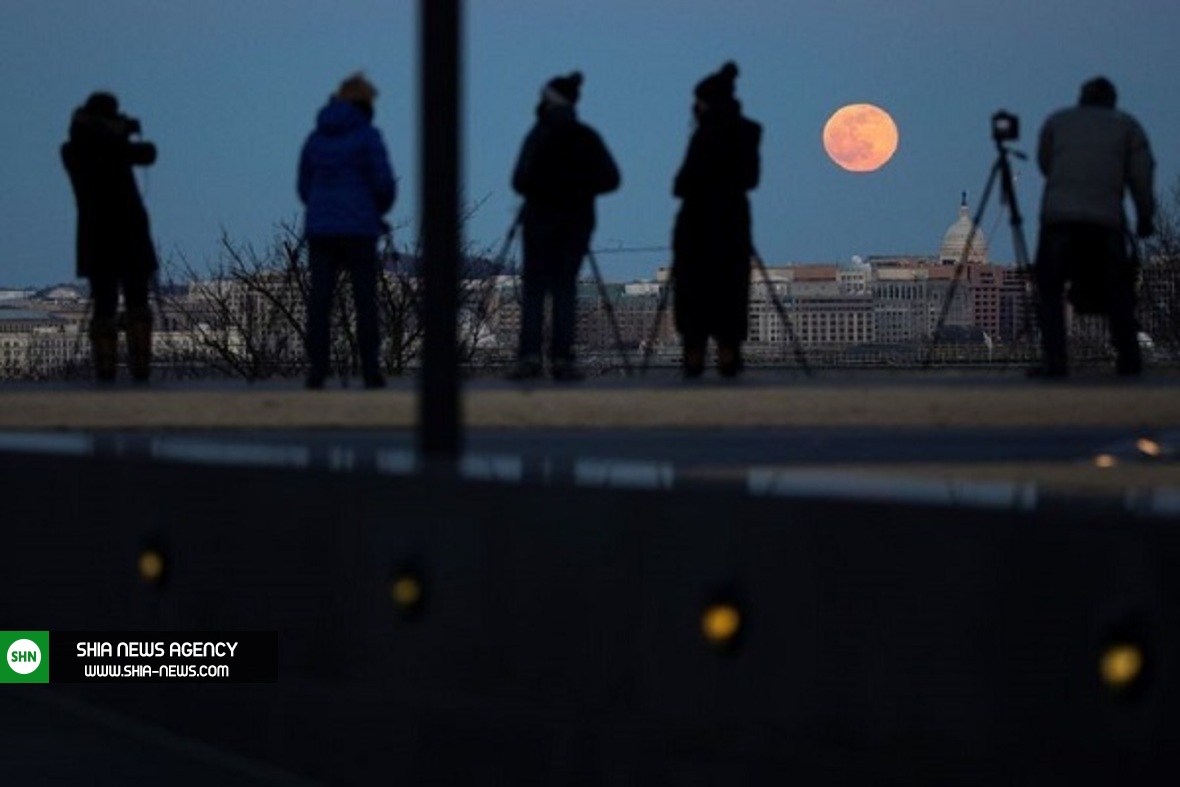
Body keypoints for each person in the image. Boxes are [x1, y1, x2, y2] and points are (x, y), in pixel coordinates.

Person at [1033, 76, 1156, 378]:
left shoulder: (1058, 122)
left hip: (1058, 220)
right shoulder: (1127, 126)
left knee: (1049, 288)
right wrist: (1144, 217)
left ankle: (1055, 361)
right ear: (1112, 100)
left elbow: (1045, 163)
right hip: (1104, 221)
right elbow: (1142, 175)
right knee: (1118, 288)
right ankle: (1128, 358)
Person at [509, 71, 621, 381]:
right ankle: (562, 358)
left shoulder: (538, 134)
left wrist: (543, 190)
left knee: (534, 290)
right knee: (564, 289)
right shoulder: (586, 136)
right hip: (575, 223)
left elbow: (519, 179)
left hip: (540, 220)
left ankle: (530, 357)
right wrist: (580, 189)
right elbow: (612, 178)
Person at [298, 72, 397, 389]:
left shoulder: (316, 138)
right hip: (358, 228)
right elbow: (383, 183)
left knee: (320, 300)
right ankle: (369, 368)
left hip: (322, 229)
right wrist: (375, 210)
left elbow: (304, 186)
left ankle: (317, 369)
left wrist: (321, 208)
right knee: (365, 300)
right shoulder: (368, 136)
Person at [671, 61, 762, 378]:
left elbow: (681, 185)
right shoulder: (749, 132)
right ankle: (729, 350)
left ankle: (694, 351)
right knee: (732, 289)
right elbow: (751, 179)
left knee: (694, 289)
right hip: (733, 224)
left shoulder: (704, 134)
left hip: (697, 225)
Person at [61, 92, 159, 383]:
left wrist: (116, 134)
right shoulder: (92, 149)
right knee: (134, 300)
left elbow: (146, 154)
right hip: (126, 232)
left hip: (98, 236)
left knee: (107, 300)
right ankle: (137, 364)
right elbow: (144, 153)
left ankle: (107, 367)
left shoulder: (74, 149)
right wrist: (118, 134)